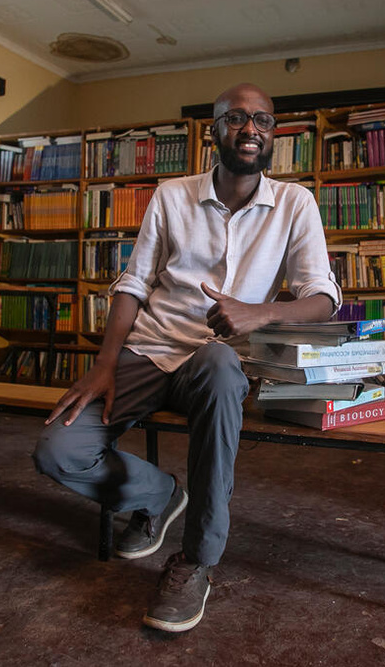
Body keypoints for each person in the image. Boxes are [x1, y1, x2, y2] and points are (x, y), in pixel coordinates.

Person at [33, 82, 341, 632]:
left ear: (274, 133)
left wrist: (260, 313)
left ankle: (197, 559)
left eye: (263, 121)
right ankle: (161, 494)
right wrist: (104, 364)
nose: (251, 130)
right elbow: (134, 283)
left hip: (219, 363)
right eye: (237, 119)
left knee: (223, 367)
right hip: (150, 349)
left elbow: (323, 299)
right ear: (215, 129)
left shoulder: (297, 204)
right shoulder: (172, 195)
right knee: (59, 448)